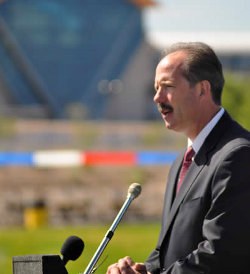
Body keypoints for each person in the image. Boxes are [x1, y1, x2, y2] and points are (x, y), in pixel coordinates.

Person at [106, 42, 250, 274]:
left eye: (167, 86)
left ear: (203, 89)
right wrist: (142, 270)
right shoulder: (180, 162)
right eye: (155, 88)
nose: (157, 98)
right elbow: (169, 251)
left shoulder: (238, 155)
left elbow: (222, 254)